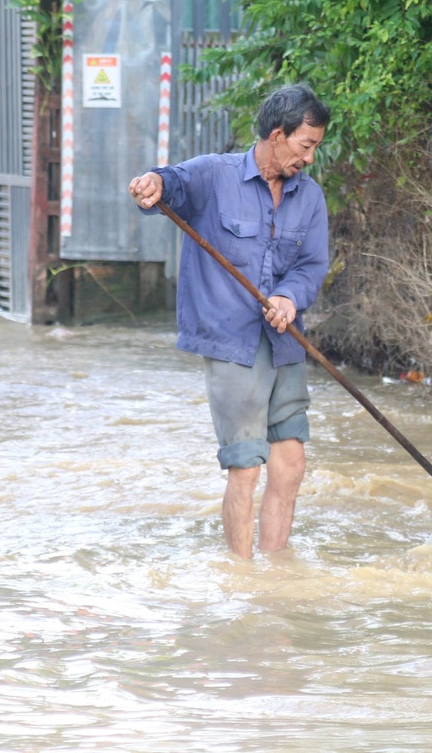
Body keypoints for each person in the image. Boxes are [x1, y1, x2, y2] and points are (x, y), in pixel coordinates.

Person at [128, 84, 331, 558]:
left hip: (285, 342)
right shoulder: (215, 175)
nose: (311, 158)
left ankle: (275, 571)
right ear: (277, 135)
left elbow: (311, 266)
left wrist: (287, 297)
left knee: (292, 463)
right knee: (246, 465)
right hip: (231, 342)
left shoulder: (310, 198)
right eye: (306, 146)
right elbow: (171, 182)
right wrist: (152, 185)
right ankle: (240, 575)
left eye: (316, 147)